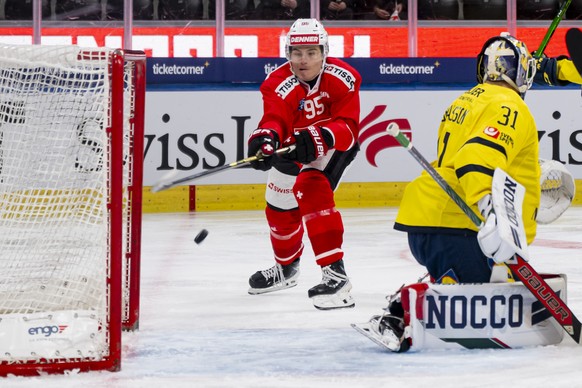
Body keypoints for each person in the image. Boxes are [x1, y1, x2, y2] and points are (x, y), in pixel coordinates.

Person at [358, 33, 542, 351]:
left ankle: (412, 302)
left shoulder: (468, 98)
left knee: (484, 289)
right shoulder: (510, 106)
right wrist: (489, 207)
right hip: (459, 225)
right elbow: (476, 155)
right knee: (485, 307)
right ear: (521, 72)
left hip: (436, 219)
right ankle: (402, 312)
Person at [246, 18, 362, 310]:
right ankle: (286, 269)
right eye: (297, 52)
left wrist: (322, 135)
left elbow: (348, 128)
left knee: (311, 187)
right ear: (288, 54)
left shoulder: (344, 76)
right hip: (296, 143)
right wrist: (267, 138)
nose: (304, 59)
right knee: (278, 206)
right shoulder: (276, 82)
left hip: (334, 145)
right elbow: (275, 116)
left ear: (324, 51)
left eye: (311, 52)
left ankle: (336, 277)